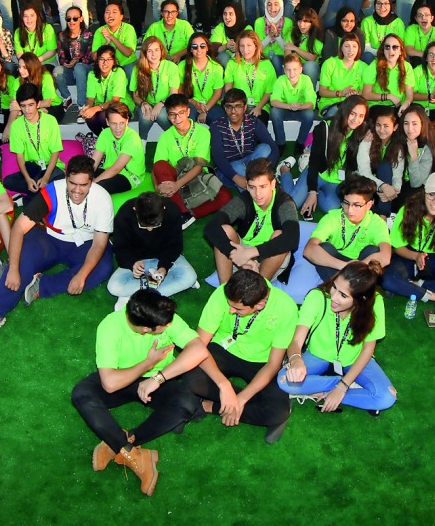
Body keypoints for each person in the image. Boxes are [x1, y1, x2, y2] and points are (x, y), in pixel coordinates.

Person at [70, 289, 213, 497]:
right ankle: (134, 454)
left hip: (158, 381)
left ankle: (121, 442)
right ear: (146, 329)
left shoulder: (162, 315)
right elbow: (109, 383)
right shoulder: (109, 327)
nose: (170, 326)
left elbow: (199, 350)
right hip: (122, 378)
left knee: (187, 402)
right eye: (164, 327)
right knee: (81, 394)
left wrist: (157, 378)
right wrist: (147, 363)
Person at [0, 156, 114, 341]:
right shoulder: (52, 191)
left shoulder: (102, 199)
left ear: (91, 182)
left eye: (83, 185)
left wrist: (81, 275)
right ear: (66, 178)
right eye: (72, 183)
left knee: (103, 267)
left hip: (85, 243)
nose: (77, 190)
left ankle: (42, 286)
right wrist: (14, 268)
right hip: (49, 238)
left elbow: (99, 243)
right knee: (21, 262)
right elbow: (18, 227)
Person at [185, 269, 296, 444]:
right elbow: (199, 346)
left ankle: (211, 406)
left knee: (277, 412)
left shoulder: (286, 308)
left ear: (260, 304)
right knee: (190, 379)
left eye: (237, 308)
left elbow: (273, 364)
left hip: (261, 361)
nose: (230, 310)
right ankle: (245, 401)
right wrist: (225, 386)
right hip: (222, 350)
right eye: (230, 304)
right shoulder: (222, 293)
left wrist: (241, 398)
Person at [278, 260, 396, 414]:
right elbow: (296, 341)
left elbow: (368, 349)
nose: (333, 296)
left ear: (361, 300)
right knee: (284, 381)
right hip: (318, 355)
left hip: (355, 359)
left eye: (343, 295)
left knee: (387, 397)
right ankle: (352, 387)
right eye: (334, 286)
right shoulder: (317, 297)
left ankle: (329, 391)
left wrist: (342, 387)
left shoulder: (375, 303)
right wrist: (295, 360)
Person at [204, 157, 299, 283]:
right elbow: (211, 227)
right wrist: (236, 255)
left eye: (263, 186)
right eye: (252, 187)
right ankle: (225, 289)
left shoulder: (284, 203)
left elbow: (292, 238)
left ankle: (258, 287)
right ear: (247, 186)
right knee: (225, 230)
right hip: (241, 254)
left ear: (273, 184)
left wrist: (250, 253)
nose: (258, 194)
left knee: (279, 235)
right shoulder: (244, 200)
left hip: (269, 259)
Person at [382, 174, 435, 309]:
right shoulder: (407, 209)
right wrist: (415, 256)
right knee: (387, 279)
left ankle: (412, 285)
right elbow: (397, 247)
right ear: (424, 192)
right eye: (431, 195)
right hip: (409, 255)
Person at [107, 192, 197, 310]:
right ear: (135, 210)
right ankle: (160, 286)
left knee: (190, 277)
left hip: (164, 256)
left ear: (163, 209)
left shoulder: (172, 210)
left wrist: (164, 266)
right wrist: (132, 263)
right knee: (114, 287)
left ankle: (133, 296)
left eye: (155, 225)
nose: (150, 230)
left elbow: (175, 245)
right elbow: (120, 248)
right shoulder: (124, 214)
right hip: (137, 259)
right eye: (144, 225)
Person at [152, 94, 230, 222]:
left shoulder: (203, 132)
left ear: (188, 112)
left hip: (197, 177)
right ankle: (183, 212)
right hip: (175, 177)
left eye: (181, 113)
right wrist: (157, 187)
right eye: (172, 114)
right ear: (167, 116)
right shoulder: (165, 137)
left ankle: (180, 209)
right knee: (160, 165)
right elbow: (157, 167)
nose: (177, 118)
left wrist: (177, 185)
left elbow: (199, 167)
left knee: (225, 198)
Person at [303, 174, 391, 281]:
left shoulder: (377, 223)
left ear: (369, 205)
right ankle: (345, 287)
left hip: (361, 267)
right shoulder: (332, 217)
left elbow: (386, 256)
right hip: (336, 264)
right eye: (346, 203)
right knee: (324, 247)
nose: (350, 210)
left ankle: (343, 287)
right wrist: (344, 266)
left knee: (373, 251)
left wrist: (356, 267)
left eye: (357, 205)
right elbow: (309, 250)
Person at [210, 88, 278, 190]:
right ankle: (255, 188)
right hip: (230, 168)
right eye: (229, 107)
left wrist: (266, 169)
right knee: (237, 167)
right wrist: (236, 178)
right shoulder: (217, 126)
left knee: (265, 148)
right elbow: (218, 158)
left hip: (250, 161)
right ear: (224, 108)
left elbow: (273, 147)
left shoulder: (253, 122)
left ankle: (256, 180)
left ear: (245, 107)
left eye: (238, 106)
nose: (233, 111)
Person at [4, 82, 64, 196]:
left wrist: (46, 178)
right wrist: (27, 179)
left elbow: (55, 152)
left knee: (58, 179)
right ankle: (38, 190)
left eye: (31, 105)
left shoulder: (50, 120)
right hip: (32, 167)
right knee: (8, 181)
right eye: (23, 106)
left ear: (38, 104)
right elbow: (20, 156)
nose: (27, 110)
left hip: (51, 167)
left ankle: (33, 193)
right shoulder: (16, 125)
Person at [130, 36, 181, 139]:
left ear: (161, 51)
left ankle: (175, 138)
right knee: (146, 116)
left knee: (162, 115)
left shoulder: (171, 67)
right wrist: (143, 103)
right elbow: (135, 96)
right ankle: (142, 143)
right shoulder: (137, 69)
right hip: (147, 103)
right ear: (144, 53)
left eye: (156, 50)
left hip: (167, 102)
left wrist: (161, 104)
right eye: (150, 51)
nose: (154, 54)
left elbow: (173, 93)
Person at [91, 102, 145, 195]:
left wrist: (93, 184)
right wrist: (84, 177)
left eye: (122, 123)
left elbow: (116, 168)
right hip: (109, 170)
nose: (118, 128)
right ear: (107, 122)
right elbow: (93, 162)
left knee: (99, 188)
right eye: (114, 123)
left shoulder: (132, 138)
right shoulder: (105, 134)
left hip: (129, 176)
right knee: (82, 176)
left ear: (127, 121)